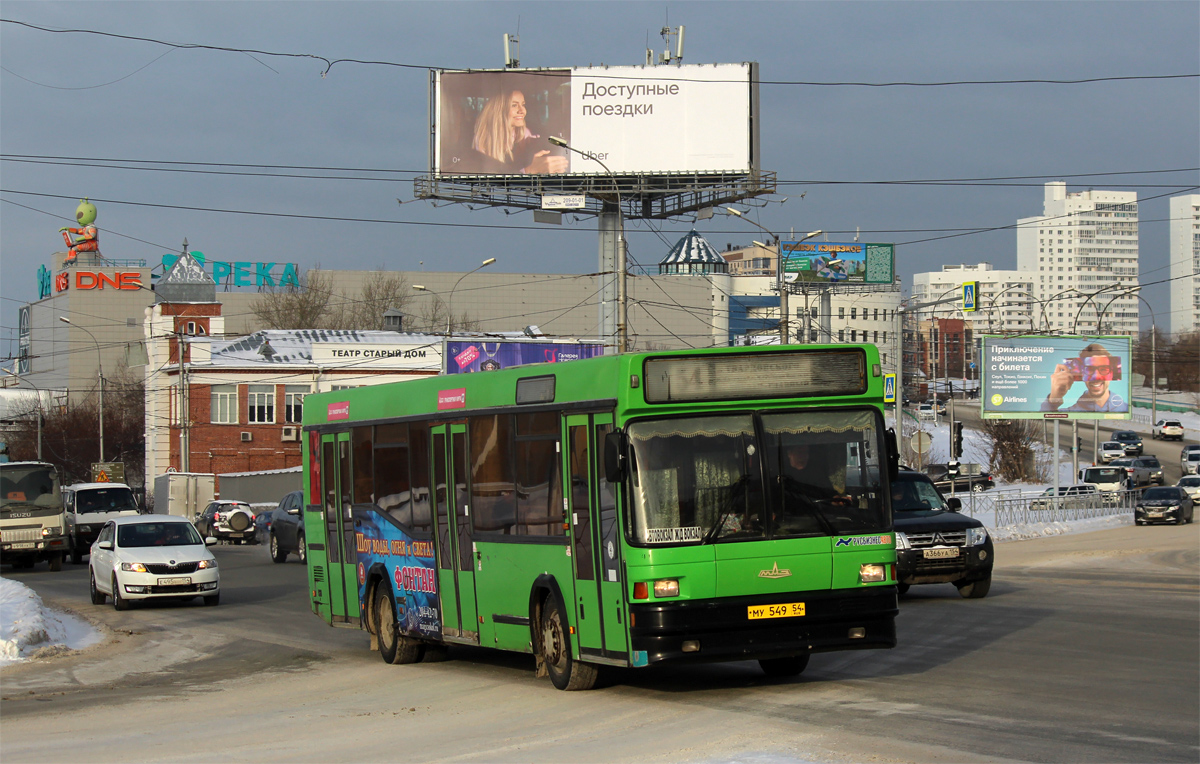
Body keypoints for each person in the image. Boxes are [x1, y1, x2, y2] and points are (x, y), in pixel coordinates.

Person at [469, 90, 568, 175]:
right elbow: (491, 184)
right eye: (514, 105)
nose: (522, 110)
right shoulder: (483, 140)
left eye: (523, 105)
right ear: (499, 110)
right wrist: (529, 171)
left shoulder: (525, 134)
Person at [1041, 343, 1126, 413]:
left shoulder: (1125, 409)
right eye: (1089, 369)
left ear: (1111, 373)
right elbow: (1045, 423)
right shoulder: (1071, 413)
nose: (1096, 376)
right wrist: (1053, 400)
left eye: (1103, 369)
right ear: (1082, 374)